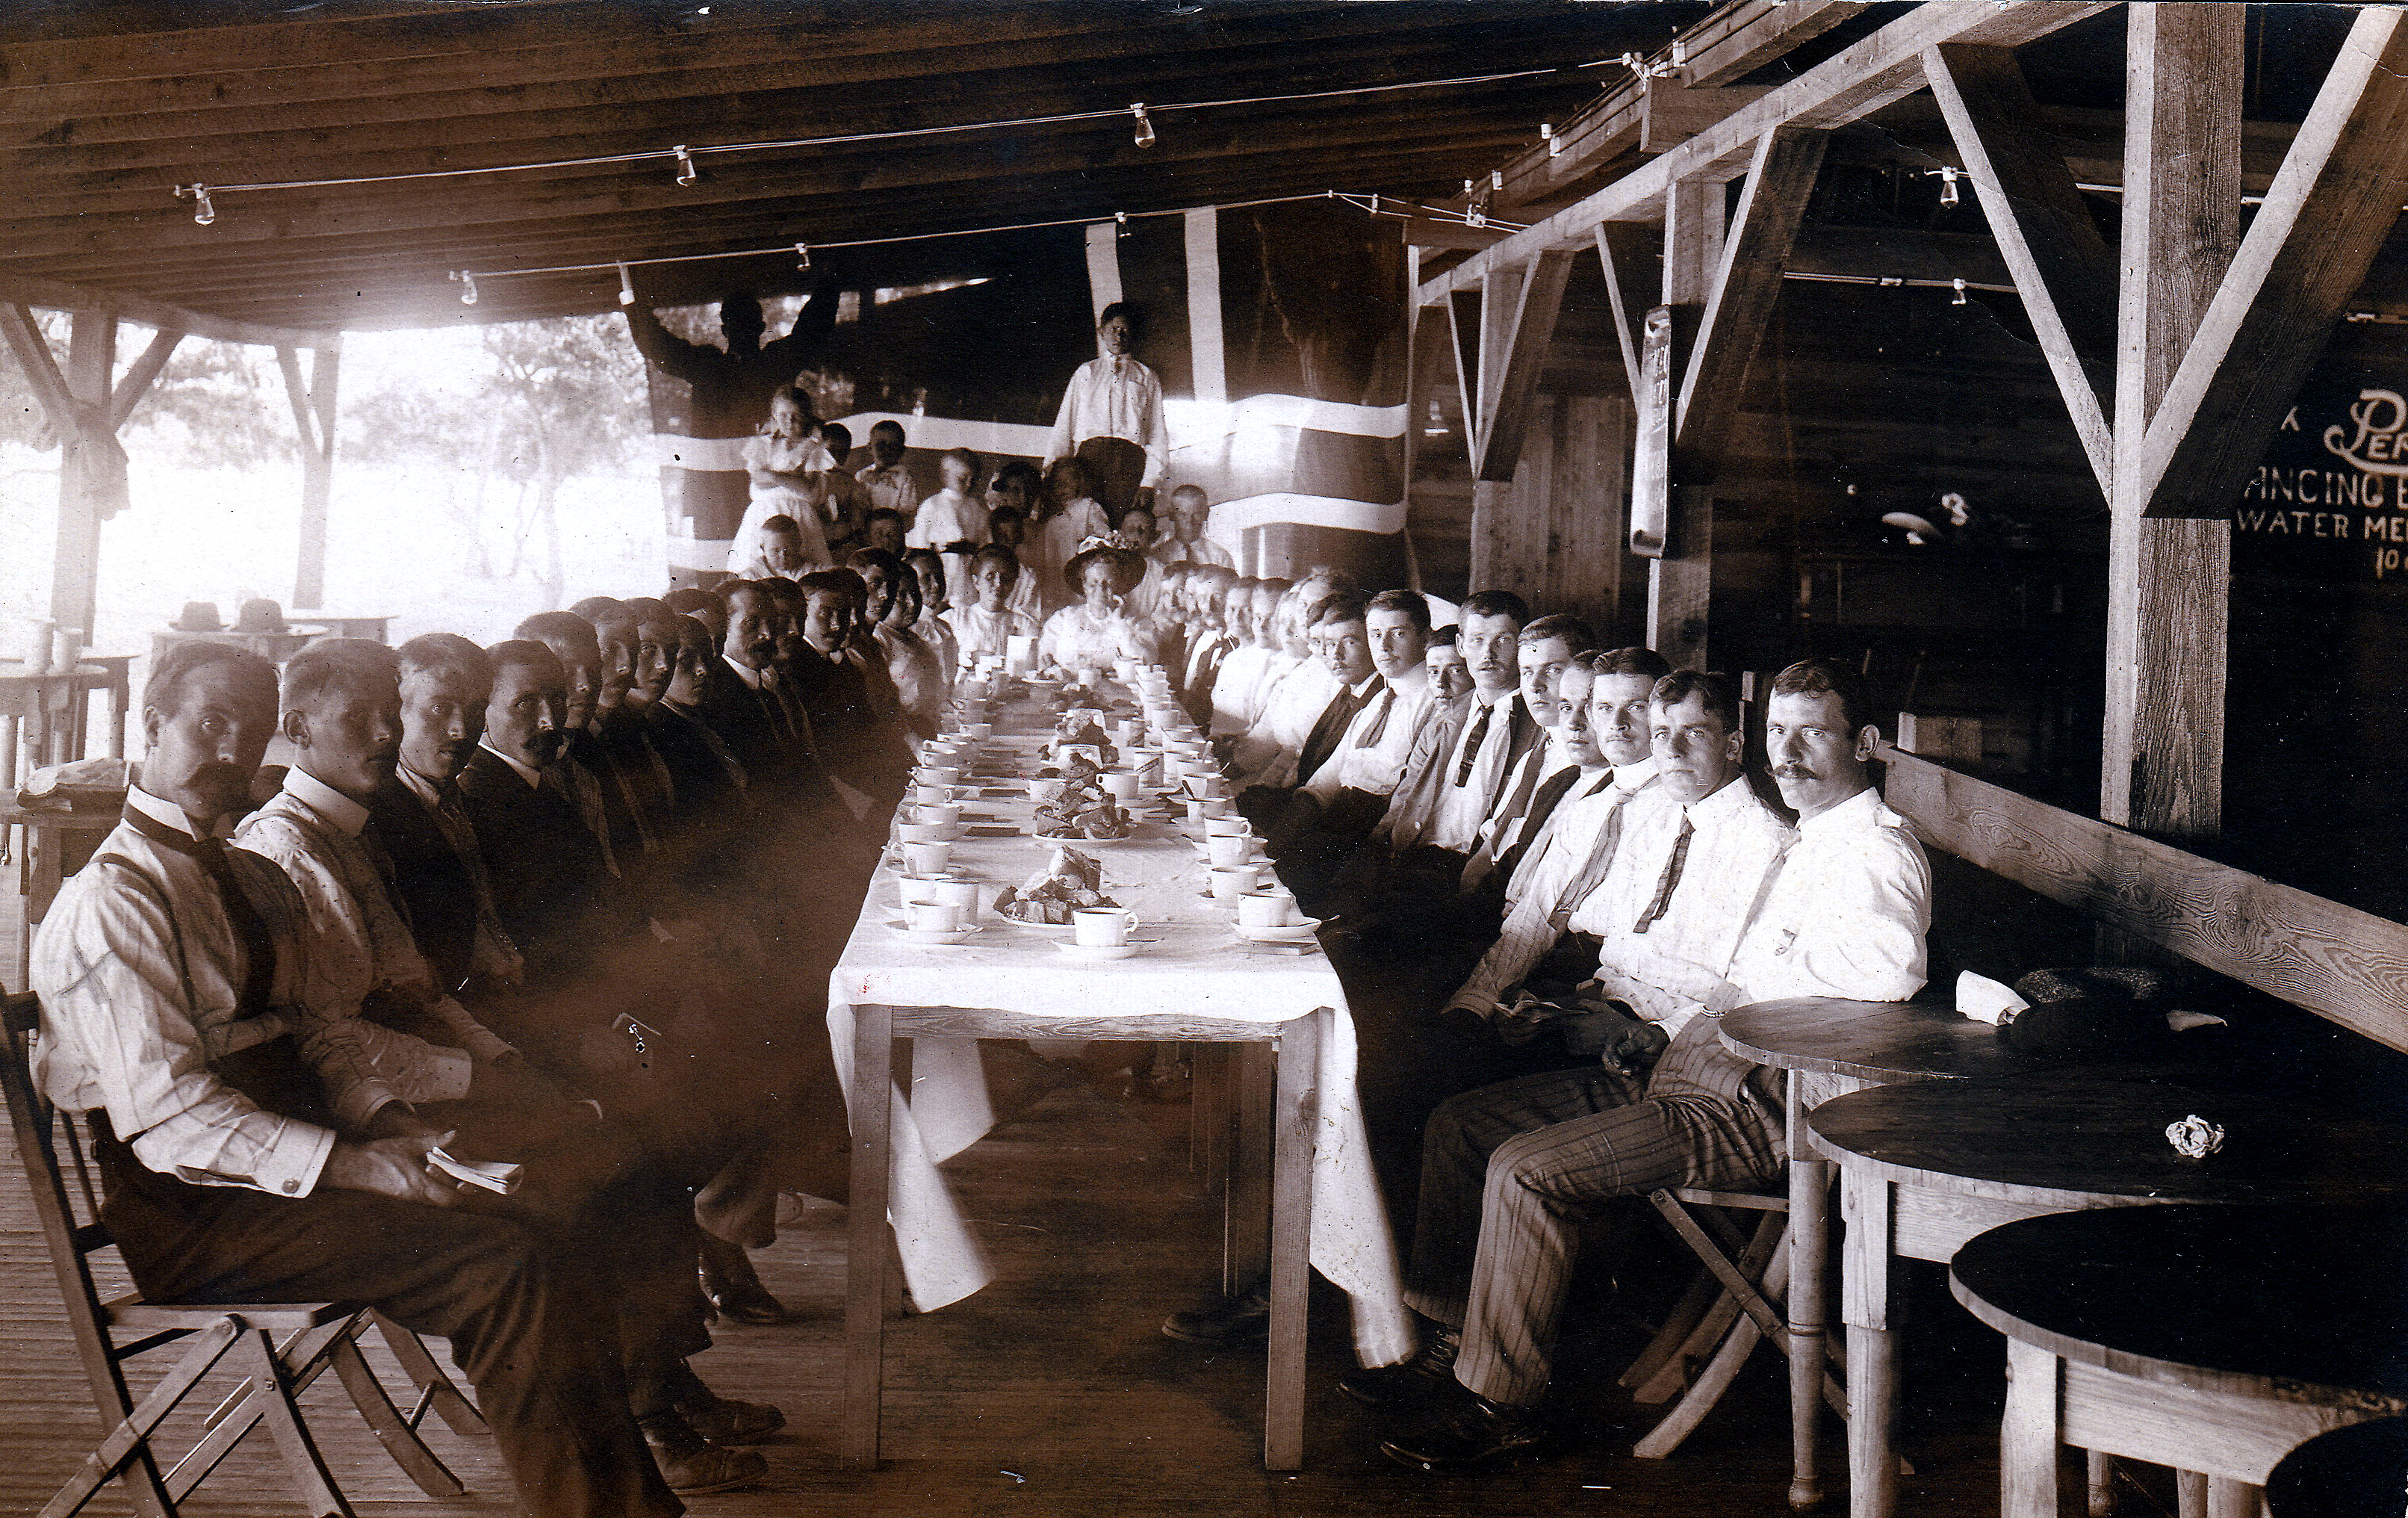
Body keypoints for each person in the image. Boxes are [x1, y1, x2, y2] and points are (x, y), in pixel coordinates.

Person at [30, 642, 693, 1517]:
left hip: (290, 1171)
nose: (232, 752)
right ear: (152, 726)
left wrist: (387, 1125)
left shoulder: (255, 876)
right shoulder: (115, 899)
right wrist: (358, 1164)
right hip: (191, 1209)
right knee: (504, 1264)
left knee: (552, 1209)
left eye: (250, 731)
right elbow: (174, 1116)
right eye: (209, 725)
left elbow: (314, 1038)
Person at [1358, 663, 1929, 1472]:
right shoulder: (1815, 841)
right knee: (1464, 1125)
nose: (1788, 754)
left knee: (1523, 1170)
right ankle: (1454, 1344)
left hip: (1748, 1104)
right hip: (1683, 1066)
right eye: (1778, 732)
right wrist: (1663, 1033)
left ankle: (1501, 1402)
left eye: (1812, 732)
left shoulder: (1874, 851)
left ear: (1865, 745)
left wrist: (1746, 991)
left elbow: (1887, 974)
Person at [1441, 647, 1672, 1026]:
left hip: (1614, 987)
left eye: (1636, 707)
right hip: (1551, 964)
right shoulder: (1588, 809)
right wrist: (1475, 1000)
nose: (1616, 723)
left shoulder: (1679, 811)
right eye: (1603, 707)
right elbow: (1535, 917)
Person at [1460, 614, 1598, 896]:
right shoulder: (1535, 755)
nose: (1535, 686)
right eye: (1526, 672)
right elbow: (1494, 840)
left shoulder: (1589, 764)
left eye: (1553, 671)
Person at [1046, 301, 1169, 515]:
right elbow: (1065, 424)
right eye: (1113, 329)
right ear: (1101, 332)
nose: (1119, 336)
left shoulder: (1146, 377)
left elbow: (1157, 434)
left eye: (1125, 330)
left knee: (1119, 527)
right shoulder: (1087, 372)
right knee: (1086, 522)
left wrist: (1149, 483)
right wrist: (1052, 473)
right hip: (1087, 464)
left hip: (1128, 465)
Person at [727, 384, 834, 574]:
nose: (790, 421)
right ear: (774, 415)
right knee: (757, 568)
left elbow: (807, 489)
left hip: (800, 514)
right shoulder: (763, 445)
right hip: (763, 512)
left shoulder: (813, 448)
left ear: (807, 417)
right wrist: (794, 476)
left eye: (796, 415)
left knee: (803, 569)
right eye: (784, 415)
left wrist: (774, 475)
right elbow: (759, 480)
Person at [1038, 543, 1159, 672]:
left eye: (1108, 584)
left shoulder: (1138, 624)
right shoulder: (1063, 619)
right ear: (1084, 586)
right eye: (1093, 584)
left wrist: (1120, 624)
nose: (1100, 590)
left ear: (1120, 585)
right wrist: (1048, 663)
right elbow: (1044, 656)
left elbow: (1148, 661)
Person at [907, 446, 988, 609]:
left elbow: (985, 543)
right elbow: (920, 543)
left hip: (967, 567)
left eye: (973, 479)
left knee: (965, 605)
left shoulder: (978, 509)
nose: (969, 483)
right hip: (941, 563)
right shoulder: (932, 505)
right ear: (945, 476)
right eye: (963, 478)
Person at [1032, 457, 1111, 610]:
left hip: (1080, 571)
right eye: (1058, 484)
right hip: (1056, 574)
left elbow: (1103, 537)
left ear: (1080, 482)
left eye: (1068, 482)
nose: (1062, 488)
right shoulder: (1052, 518)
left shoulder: (1089, 507)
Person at [946, 544, 1042, 669]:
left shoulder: (1025, 625)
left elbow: (1035, 664)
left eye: (1006, 578)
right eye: (990, 577)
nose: (998, 584)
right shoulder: (953, 619)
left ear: (1013, 583)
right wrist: (970, 657)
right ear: (976, 582)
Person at [903, 546, 961, 683]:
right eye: (926, 578)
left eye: (939, 577)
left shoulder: (944, 628)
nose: (936, 585)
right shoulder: (907, 628)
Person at [817, 421, 872, 561]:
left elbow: (859, 524)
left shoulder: (852, 484)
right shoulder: (809, 481)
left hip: (841, 546)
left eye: (842, 453)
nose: (835, 458)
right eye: (831, 451)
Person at [984, 504, 1046, 622]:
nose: (1004, 540)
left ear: (1019, 536)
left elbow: (1030, 616)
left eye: (1009, 534)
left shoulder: (1029, 577)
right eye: (999, 534)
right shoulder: (981, 570)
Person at [854, 418, 920, 522]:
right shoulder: (862, 475)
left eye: (893, 446)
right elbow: (857, 507)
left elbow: (907, 512)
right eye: (881, 445)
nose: (887, 450)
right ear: (870, 448)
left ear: (902, 451)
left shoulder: (905, 477)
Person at [1158, 483, 1233, 569]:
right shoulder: (1158, 556)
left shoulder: (1220, 557)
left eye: (1197, 514)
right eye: (1182, 514)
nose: (1190, 520)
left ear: (1206, 514)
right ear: (1171, 514)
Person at [739, 512, 820, 582]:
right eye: (775, 551)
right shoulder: (750, 577)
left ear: (799, 545)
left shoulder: (815, 573)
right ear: (763, 549)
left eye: (789, 550)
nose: (783, 556)